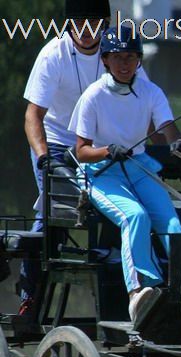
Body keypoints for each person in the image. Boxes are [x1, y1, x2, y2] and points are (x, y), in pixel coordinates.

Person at [69, 26, 181, 327]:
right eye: (118, 57)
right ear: (106, 60)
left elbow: (167, 127)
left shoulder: (151, 92)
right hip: (100, 172)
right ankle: (139, 291)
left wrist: (177, 143)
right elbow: (81, 151)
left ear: (138, 61)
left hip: (137, 166)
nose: (124, 64)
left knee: (172, 223)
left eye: (131, 57)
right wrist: (107, 150)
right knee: (135, 216)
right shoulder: (93, 96)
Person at [21, 0, 112, 316]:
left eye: (94, 21)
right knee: (57, 208)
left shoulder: (118, 53)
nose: (86, 29)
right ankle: (28, 292)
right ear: (69, 22)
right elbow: (33, 116)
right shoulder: (53, 54)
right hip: (57, 145)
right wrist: (44, 157)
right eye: (79, 20)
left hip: (101, 147)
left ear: (105, 22)